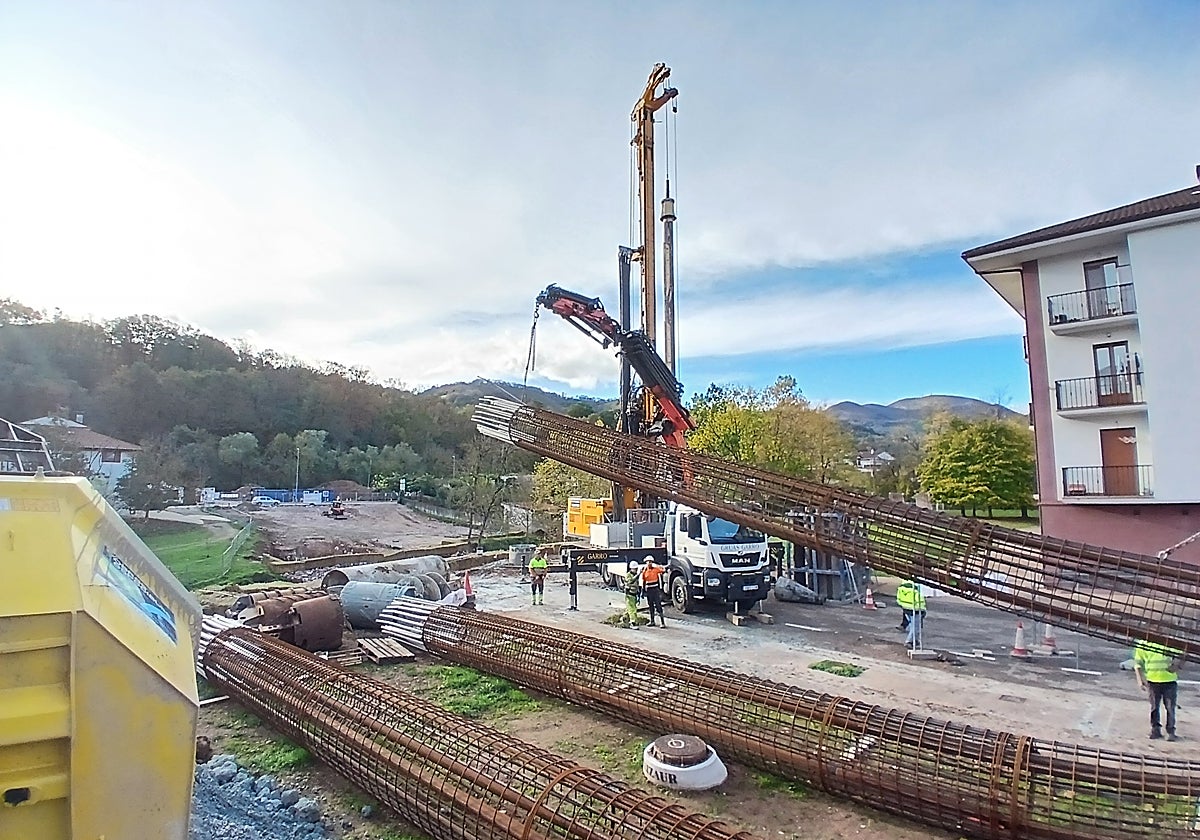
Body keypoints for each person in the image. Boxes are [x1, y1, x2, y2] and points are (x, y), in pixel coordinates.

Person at [1133, 639, 1182, 741]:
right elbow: (1137, 663)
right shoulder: (1144, 643)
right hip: (1152, 681)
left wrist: (1178, 665)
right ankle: (1156, 730)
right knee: (1155, 707)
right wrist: (1139, 679)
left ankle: (1170, 731)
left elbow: (1182, 654)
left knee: (1170, 708)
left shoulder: (1169, 641)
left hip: (1169, 680)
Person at [895, 579, 926, 646]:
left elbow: (898, 599)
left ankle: (915, 640)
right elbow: (920, 601)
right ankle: (909, 641)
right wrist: (923, 610)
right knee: (916, 627)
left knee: (912, 625)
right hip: (916, 610)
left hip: (906, 608)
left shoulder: (902, 587)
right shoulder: (915, 588)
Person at [640, 555, 667, 627]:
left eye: (650, 562)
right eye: (648, 562)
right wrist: (643, 591)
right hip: (649, 590)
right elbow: (644, 581)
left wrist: (661, 566)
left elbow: (663, 570)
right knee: (650, 606)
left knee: (658, 605)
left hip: (655, 590)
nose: (649, 563)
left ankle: (662, 622)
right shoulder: (644, 571)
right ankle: (652, 621)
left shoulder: (656, 569)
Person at [623, 561, 642, 627]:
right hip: (629, 595)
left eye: (636, 569)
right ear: (631, 568)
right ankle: (633, 622)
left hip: (634, 594)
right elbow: (630, 581)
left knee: (630, 608)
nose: (636, 570)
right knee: (632, 609)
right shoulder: (628, 575)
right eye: (635, 569)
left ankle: (624, 619)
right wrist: (638, 574)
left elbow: (636, 584)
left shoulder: (634, 575)